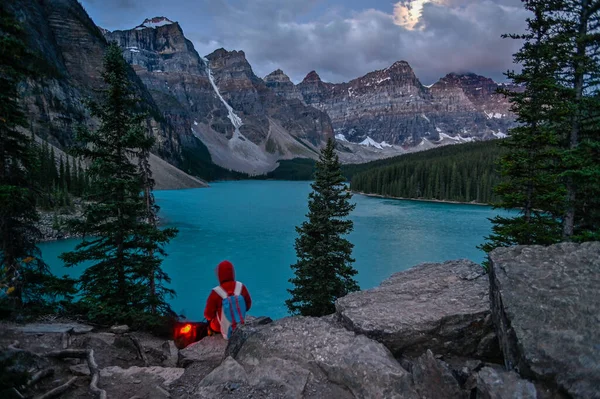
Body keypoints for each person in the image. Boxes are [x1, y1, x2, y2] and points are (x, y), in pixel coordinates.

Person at [203, 260, 252, 336]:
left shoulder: (216, 292)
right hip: (240, 323)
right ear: (233, 273)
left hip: (220, 327)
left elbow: (208, 315)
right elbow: (248, 305)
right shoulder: (241, 286)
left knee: (209, 324)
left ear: (219, 275)